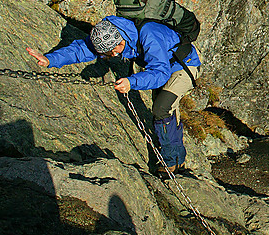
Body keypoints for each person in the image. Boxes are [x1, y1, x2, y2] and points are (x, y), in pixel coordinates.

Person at [26, 16, 200, 177]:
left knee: (161, 108)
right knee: (166, 111)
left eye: (112, 52)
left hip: (184, 65)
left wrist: (132, 82)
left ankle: (170, 162)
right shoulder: (108, 33)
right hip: (162, 64)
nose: (114, 55)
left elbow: (160, 74)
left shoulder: (149, 35)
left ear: (120, 41)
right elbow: (82, 49)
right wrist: (50, 60)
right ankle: (178, 160)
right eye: (108, 54)